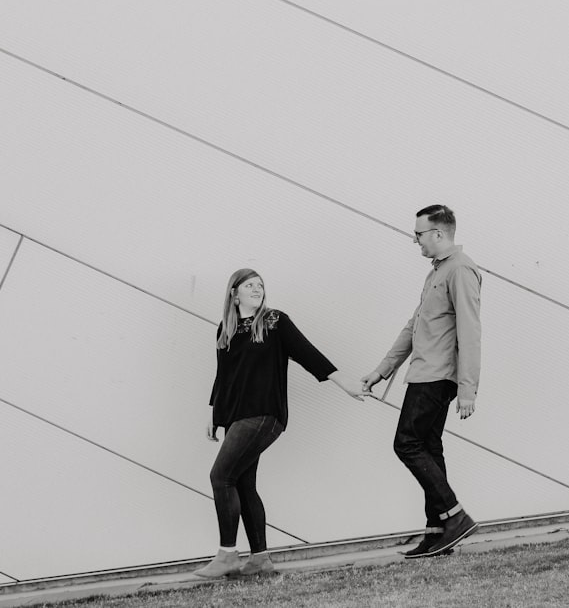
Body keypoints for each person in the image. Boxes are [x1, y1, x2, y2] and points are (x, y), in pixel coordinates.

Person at [194, 268, 367, 578]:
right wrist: (213, 413)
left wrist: (345, 382)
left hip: (264, 414)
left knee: (220, 476)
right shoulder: (226, 328)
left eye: (260, 285)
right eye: (249, 285)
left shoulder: (274, 321)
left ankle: (228, 554)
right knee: (243, 483)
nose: (257, 289)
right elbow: (224, 376)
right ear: (234, 293)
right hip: (235, 416)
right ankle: (260, 559)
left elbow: (308, 354)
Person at [361, 204, 482, 558]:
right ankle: (438, 531)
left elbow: (470, 332)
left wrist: (467, 388)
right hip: (425, 372)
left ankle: (455, 515)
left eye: (419, 234)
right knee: (427, 447)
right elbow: (413, 327)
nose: (415, 241)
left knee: (406, 443)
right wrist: (381, 369)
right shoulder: (437, 273)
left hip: (436, 376)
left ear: (439, 233)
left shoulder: (461, 270)